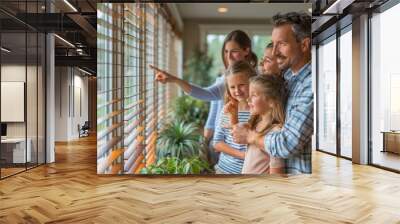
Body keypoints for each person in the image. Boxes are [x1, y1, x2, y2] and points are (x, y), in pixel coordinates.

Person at [232, 11, 313, 174]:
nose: (274, 52)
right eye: (273, 44)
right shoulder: (288, 78)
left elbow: (287, 144)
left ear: (304, 45)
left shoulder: (311, 84)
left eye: (282, 44)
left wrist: (251, 136)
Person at [212, 60, 257, 174]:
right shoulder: (227, 110)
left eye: (241, 85)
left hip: (249, 172)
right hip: (223, 170)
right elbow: (217, 143)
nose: (237, 91)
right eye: (232, 87)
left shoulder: (259, 111)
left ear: (253, 83)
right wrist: (243, 155)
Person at [241, 75, 286, 174]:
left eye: (253, 95)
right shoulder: (256, 123)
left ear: (271, 102)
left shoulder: (275, 133)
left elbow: (277, 175)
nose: (248, 99)